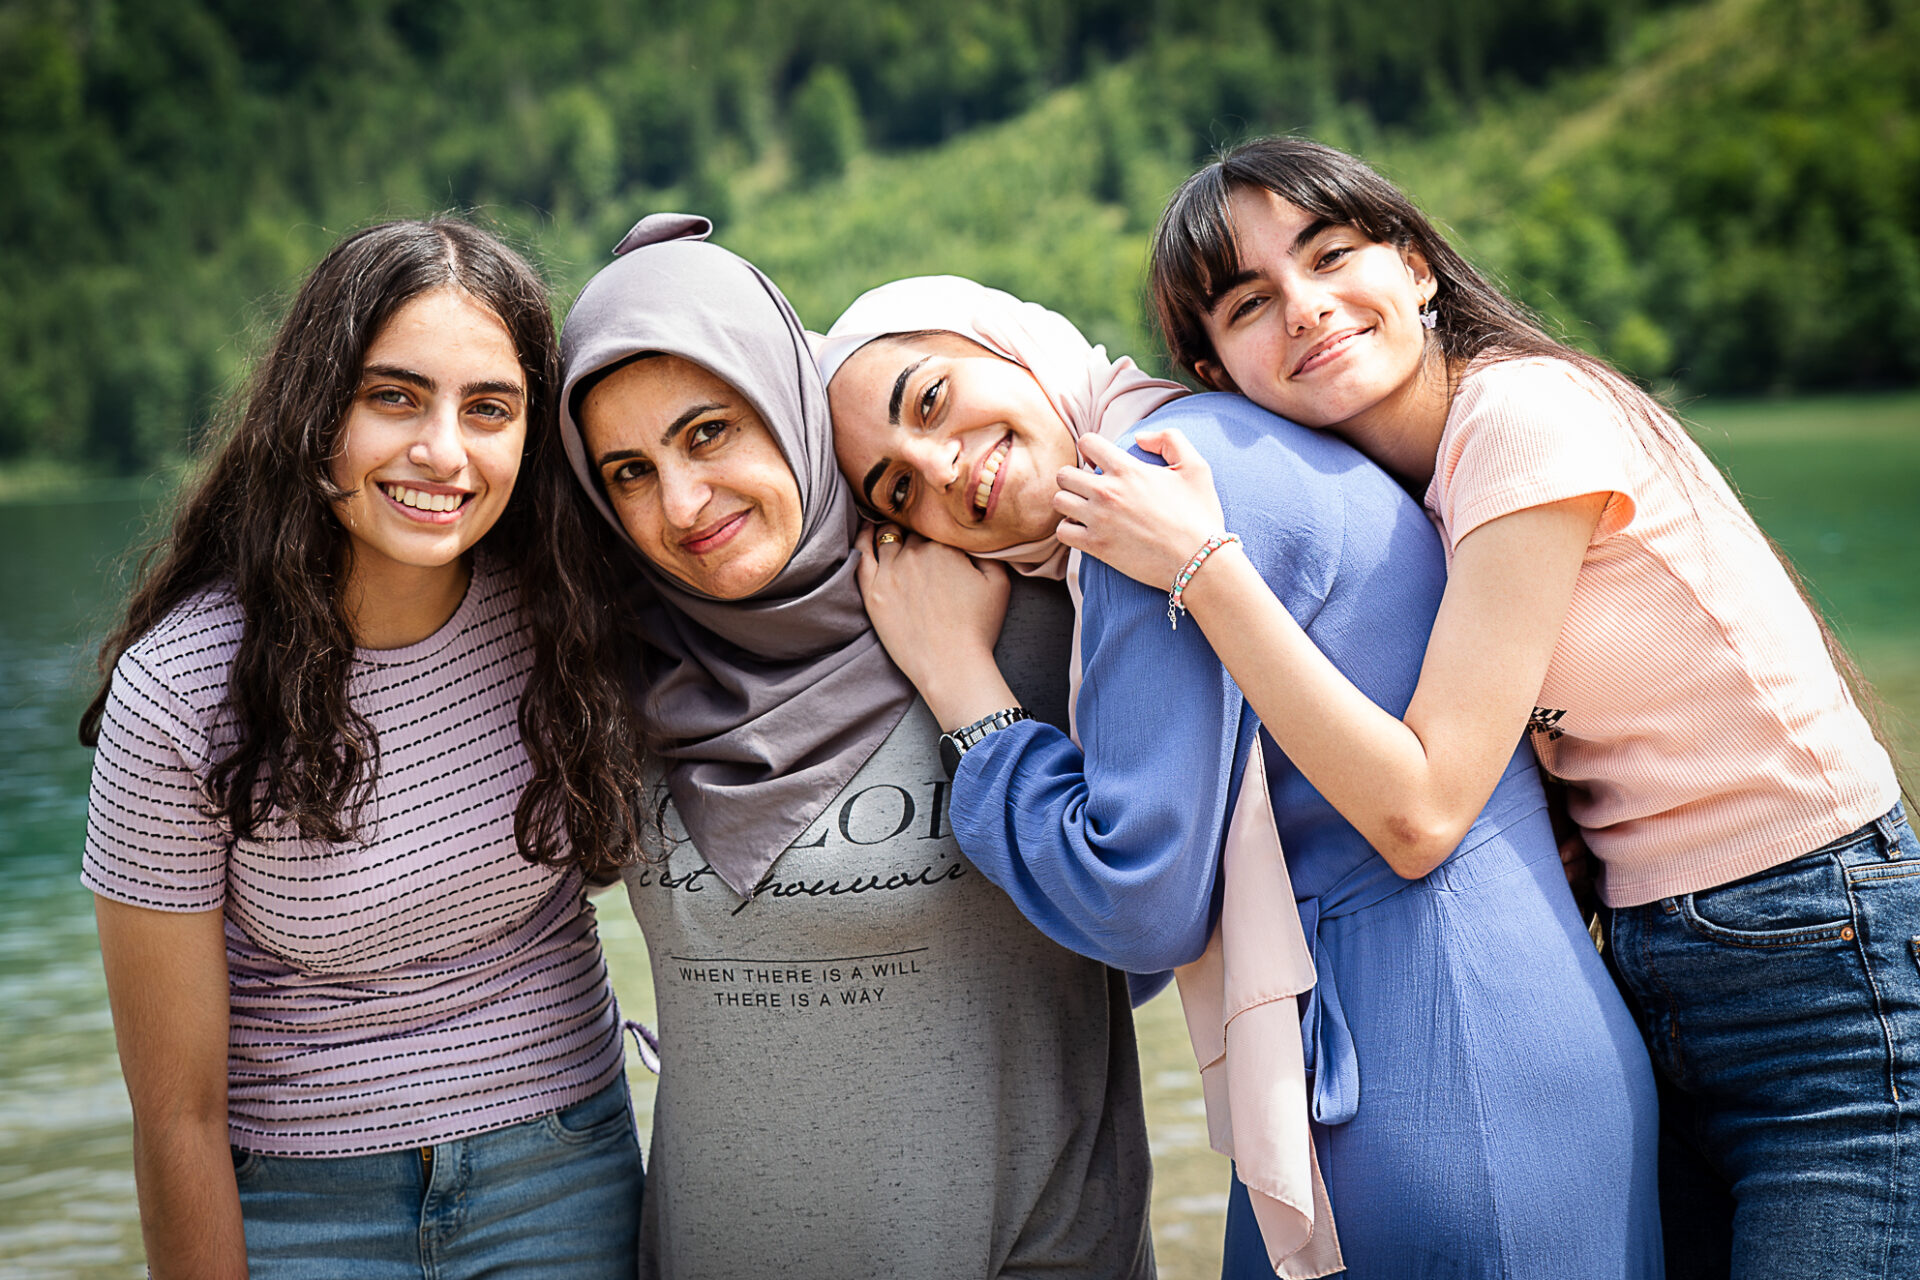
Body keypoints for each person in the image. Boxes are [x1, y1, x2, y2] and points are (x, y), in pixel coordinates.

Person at [1064, 134, 1915, 1280]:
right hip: (1656, 956)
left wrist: (1201, 566)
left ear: (1416, 265)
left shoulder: (1522, 417)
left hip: (1814, 958)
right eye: (1251, 302)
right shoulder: (1412, 488)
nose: (1307, 308)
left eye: (1331, 255)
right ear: (1216, 372)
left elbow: (1420, 813)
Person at [819, 275, 1662, 1278]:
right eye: (898, 494)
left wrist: (966, 693)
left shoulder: (1152, 494)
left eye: (930, 400)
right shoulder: (1210, 435)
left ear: (1009, 347)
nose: (940, 465)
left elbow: (1138, 903)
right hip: (1507, 1042)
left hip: (1435, 1082)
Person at [556, 213, 1154, 1280]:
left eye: (708, 432)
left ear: (790, 402)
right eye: (628, 472)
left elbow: (1158, 927)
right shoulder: (610, 663)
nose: (682, 503)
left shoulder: (1016, 608)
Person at [80, 218, 649, 1279]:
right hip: (302, 1203)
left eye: (490, 408)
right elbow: (178, 1113)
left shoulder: (571, 610)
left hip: (564, 1171)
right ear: (315, 407)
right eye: (394, 396)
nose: (443, 451)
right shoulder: (182, 692)